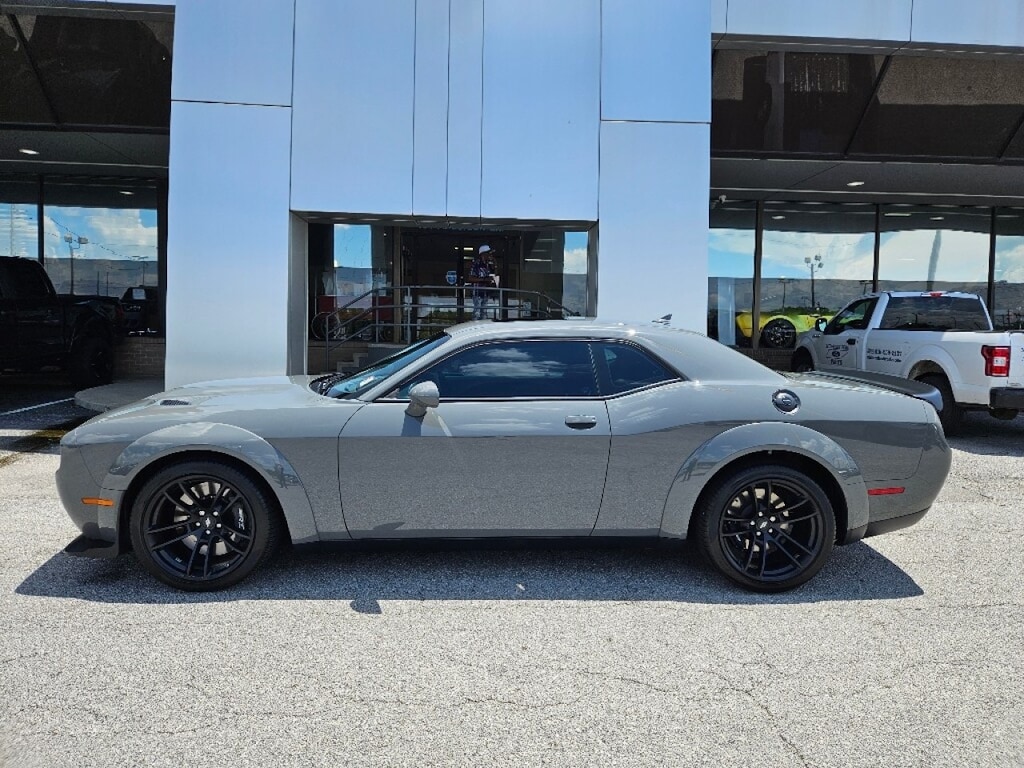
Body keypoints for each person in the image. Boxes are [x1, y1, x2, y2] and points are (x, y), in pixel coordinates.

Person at [468, 244, 498, 320]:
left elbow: (494, 275)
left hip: (486, 292)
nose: (490, 255)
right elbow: (470, 278)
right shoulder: (476, 264)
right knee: (477, 313)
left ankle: (482, 330)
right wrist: (484, 280)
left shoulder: (488, 265)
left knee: (484, 313)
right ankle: (474, 330)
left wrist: (495, 265)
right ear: (483, 254)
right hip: (478, 292)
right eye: (488, 253)